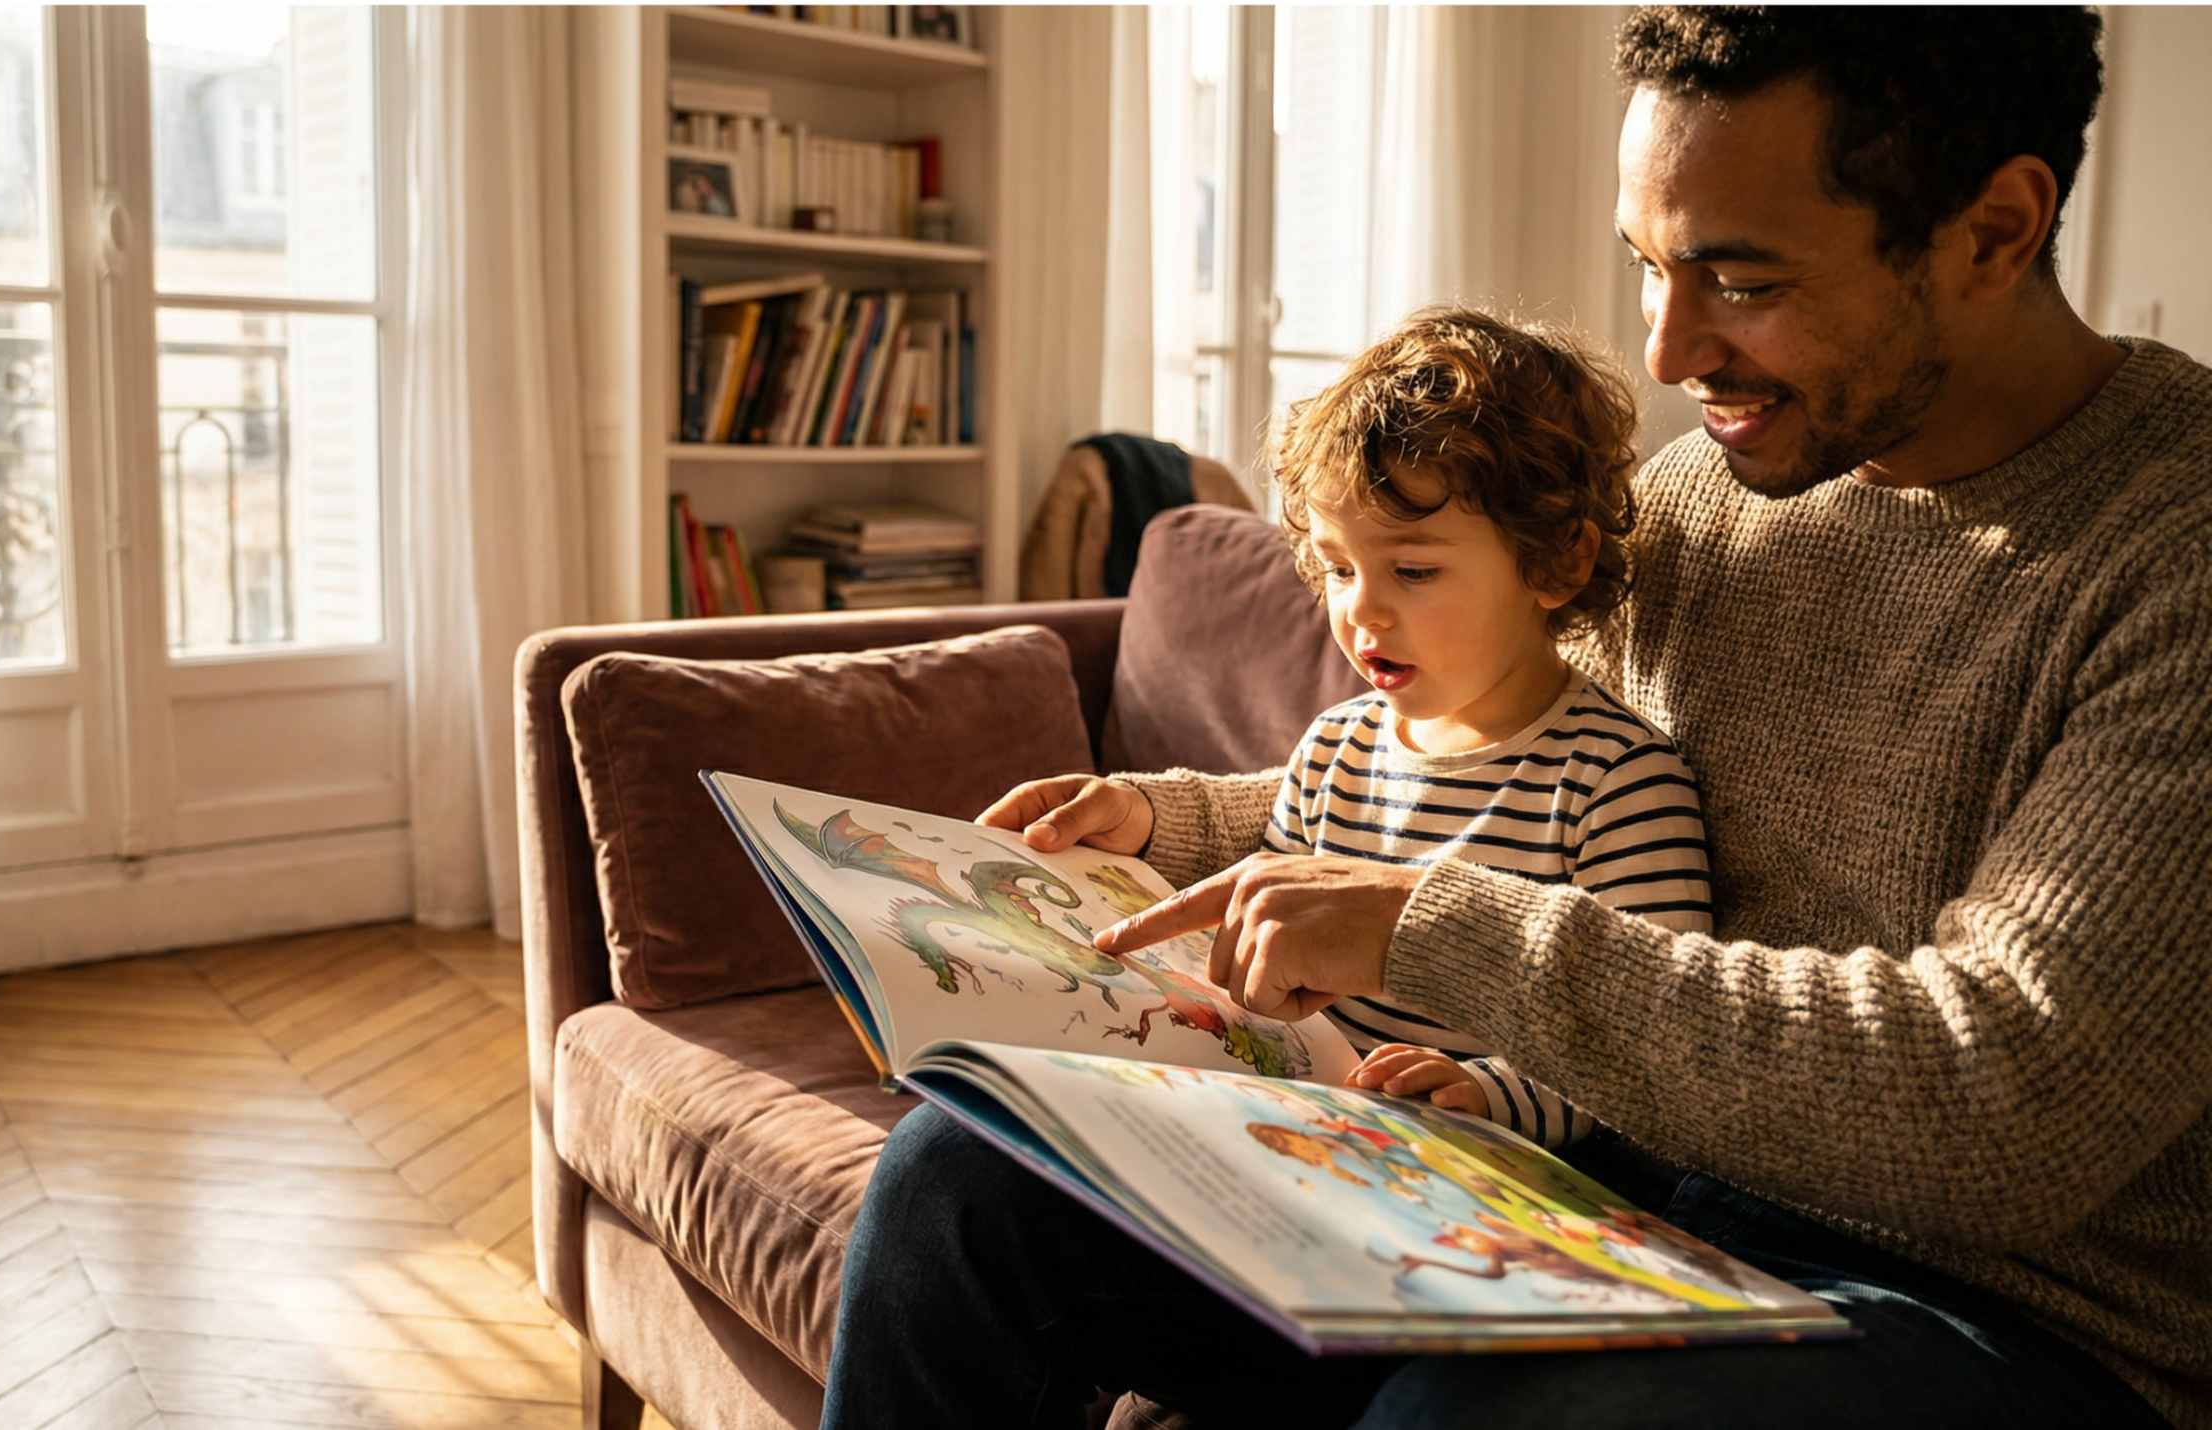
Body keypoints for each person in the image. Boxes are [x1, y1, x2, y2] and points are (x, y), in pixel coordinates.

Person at [819, 6, 2208, 1428]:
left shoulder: (2178, 551)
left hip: (2005, 1322)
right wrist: (1179, 832)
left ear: (1995, 228)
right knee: (966, 1183)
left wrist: (1435, 926)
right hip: (1618, 1199)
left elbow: (2006, 1103)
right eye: (1651, 267)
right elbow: (1445, 761)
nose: (1670, 350)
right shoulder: (1700, 507)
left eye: (1739, 276)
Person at [1229, 306, 1715, 1148]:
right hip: (1316, 1136)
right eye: (1338, 567)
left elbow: (1647, 1048)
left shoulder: (1616, 781)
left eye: (1412, 570)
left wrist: (1489, 1093)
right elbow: (1271, 941)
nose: (1360, 607)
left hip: (1483, 1175)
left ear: (1557, 563)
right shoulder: (1332, 752)